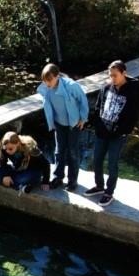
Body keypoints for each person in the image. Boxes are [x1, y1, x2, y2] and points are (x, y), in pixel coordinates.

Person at [85, 60, 138, 207]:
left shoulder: (132, 92)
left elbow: (132, 117)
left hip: (118, 136)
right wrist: (93, 124)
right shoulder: (106, 88)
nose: (112, 79)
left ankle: (109, 193)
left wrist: (121, 132)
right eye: (110, 75)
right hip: (102, 132)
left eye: (115, 75)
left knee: (112, 164)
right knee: (97, 160)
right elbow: (98, 108)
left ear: (124, 73)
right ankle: (99, 186)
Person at [37, 63, 89, 191]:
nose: (47, 83)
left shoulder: (71, 86)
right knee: (59, 151)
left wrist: (83, 118)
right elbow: (48, 105)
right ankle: (58, 177)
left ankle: (72, 181)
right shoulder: (46, 89)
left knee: (72, 152)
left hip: (73, 124)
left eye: (49, 80)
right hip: (59, 124)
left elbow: (83, 100)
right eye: (45, 81)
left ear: (57, 76)